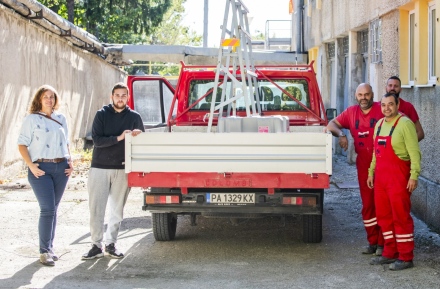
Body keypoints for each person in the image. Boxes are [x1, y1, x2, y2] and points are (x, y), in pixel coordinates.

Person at [82, 82, 144, 260]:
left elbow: (142, 142)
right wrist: (120, 137)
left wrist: (138, 136)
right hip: (100, 167)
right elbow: (97, 140)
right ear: (112, 97)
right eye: (117, 95)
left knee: (117, 209)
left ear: (128, 97)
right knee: (96, 208)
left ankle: (111, 244)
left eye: (124, 95)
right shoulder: (102, 114)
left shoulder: (134, 116)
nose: (120, 98)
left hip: (123, 168)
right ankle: (95, 245)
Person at [18, 85, 73, 266]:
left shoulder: (61, 118)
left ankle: (50, 247)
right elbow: (22, 144)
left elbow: (66, 142)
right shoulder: (32, 119)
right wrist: (31, 165)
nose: (49, 100)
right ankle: (43, 251)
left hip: (61, 168)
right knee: (47, 209)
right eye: (45, 97)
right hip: (41, 169)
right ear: (39, 100)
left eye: (52, 97)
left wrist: (70, 161)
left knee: (54, 209)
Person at [326, 83, 384, 256]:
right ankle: (372, 242)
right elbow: (331, 125)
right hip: (364, 165)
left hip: (383, 164)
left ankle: (384, 244)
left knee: (382, 205)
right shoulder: (351, 113)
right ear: (356, 96)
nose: (363, 98)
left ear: (372, 94)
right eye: (360, 95)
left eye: (367, 94)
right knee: (368, 205)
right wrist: (342, 135)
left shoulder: (383, 109)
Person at [367, 92, 421, 270]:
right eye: (383, 105)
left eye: (390, 104)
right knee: (384, 216)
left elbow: (414, 153)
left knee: (401, 216)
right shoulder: (379, 124)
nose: (387, 108)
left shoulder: (405, 124)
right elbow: (376, 153)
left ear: (397, 105)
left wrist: (414, 175)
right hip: (381, 178)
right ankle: (390, 252)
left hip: (398, 178)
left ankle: (406, 256)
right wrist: (371, 173)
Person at [386, 76, 425, 141]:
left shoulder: (408, 107)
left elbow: (420, 133)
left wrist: (406, 145)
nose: (392, 88)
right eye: (390, 85)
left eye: (396, 86)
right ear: (386, 88)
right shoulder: (379, 107)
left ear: (400, 89)